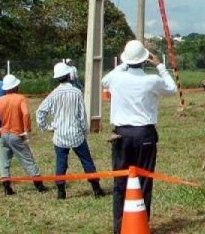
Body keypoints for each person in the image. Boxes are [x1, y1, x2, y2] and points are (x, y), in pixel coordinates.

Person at [101, 40, 177, 234]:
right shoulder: (151, 80)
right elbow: (172, 88)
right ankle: (140, 224)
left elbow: (105, 80)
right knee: (144, 180)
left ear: (125, 60)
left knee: (120, 182)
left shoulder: (116, 79)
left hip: (121, 134)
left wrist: (124, 63)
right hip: (145, 134)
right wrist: (159, 65)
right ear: (145, 59)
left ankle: (119, 228)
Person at [36, 62, 105, 200]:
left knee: (61, 162)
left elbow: (40, 112)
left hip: (60, 135)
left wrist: (47, 127)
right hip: (76, 134)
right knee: (86, 161)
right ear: (69, 75)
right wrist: (85, 131)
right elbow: (82, 115)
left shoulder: (53, 94)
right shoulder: (77, 92)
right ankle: (96, 189)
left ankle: (61, 192)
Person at [0, 74, 48, 196]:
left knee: (4, 162)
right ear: (16, 87)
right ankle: (39, 185)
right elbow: (25, 114)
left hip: (4, 135)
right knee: (27, 159)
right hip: (17, 134)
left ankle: (6, 187)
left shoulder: (0, 100)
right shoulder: (20, 98)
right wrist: (27, 130)